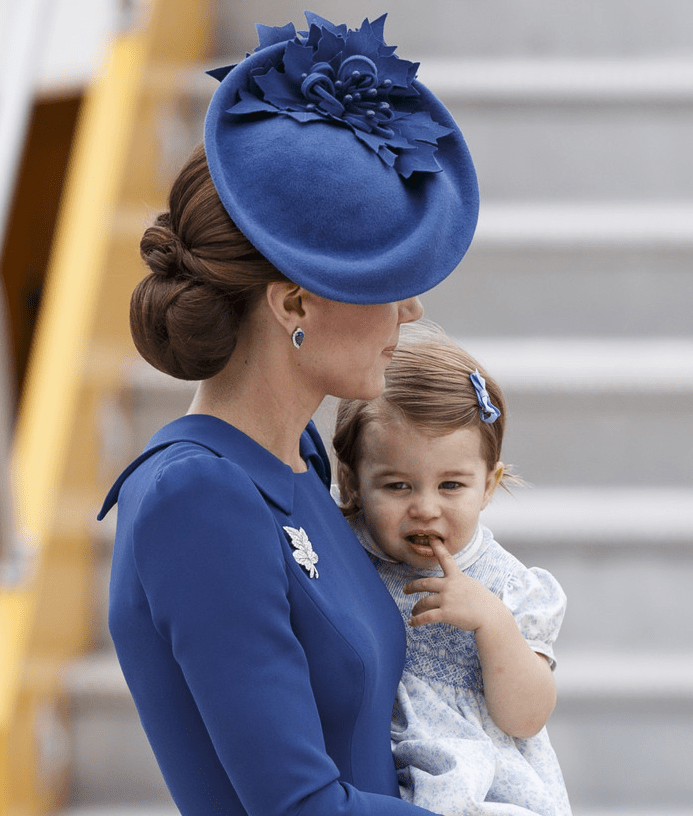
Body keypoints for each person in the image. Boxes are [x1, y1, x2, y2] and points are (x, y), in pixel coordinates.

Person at [98, 12, 480, 816]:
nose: (410, 310)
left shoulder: (296, 457)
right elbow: (301, 808)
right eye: (384, 281)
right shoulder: (196, 498)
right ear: (293, 302)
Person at [333, 326, 572, 816]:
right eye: (398, 486)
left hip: (486, 783)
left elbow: (526, 716)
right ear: (353, 481)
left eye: (451, 485)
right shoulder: (343, 552)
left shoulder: (508, 587)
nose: (425, 508)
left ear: (489, 486)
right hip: (381, 769)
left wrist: (494, 625)